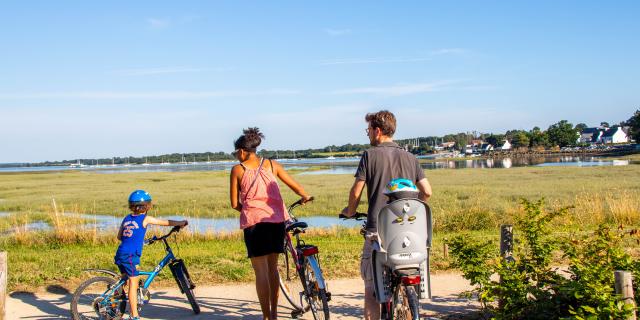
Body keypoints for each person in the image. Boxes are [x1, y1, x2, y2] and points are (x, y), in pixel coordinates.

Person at [341, 110, 433, 320]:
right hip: (411, 236)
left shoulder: (369, 155)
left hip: (379, 234)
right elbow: (427, 191)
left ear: (378, 131)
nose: (368, 135)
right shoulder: (410, 157)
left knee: (372, 289)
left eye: (368, 130)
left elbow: (356, 191)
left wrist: (350, 211)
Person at [229, 127, 312, 320]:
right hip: (276, 222)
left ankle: (266, 317)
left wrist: (251, 211)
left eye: (236, 153)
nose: (236, 156)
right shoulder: (271, 164)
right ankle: (274, 314)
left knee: (261, 272)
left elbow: (234, 204)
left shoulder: (237, 170)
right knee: (273, 269)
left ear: (242, 151)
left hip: (254, 224)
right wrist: (305, 196)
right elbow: (293, 184)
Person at [114, 190, 188, 320]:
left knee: (124, 279)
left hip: (121, 253)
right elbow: (165, 222)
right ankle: (134, 315)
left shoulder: (126, 218)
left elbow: (120, 236)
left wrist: (138, 240)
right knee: (133, 283)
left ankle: (114, 302)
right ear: (147, 206)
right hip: (131, 255)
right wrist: (180, 223)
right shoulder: (145, 218)